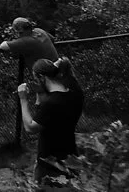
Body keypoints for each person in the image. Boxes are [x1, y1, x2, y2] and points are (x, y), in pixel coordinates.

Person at [16, 57, 84, 187]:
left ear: (42, 77)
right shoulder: (76, 93)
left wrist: (23, 99)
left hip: (49, 162)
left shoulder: (52, 104)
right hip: (71, 156)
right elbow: (44, 114)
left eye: (36, 79)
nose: (35, 82)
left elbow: (30, 128)